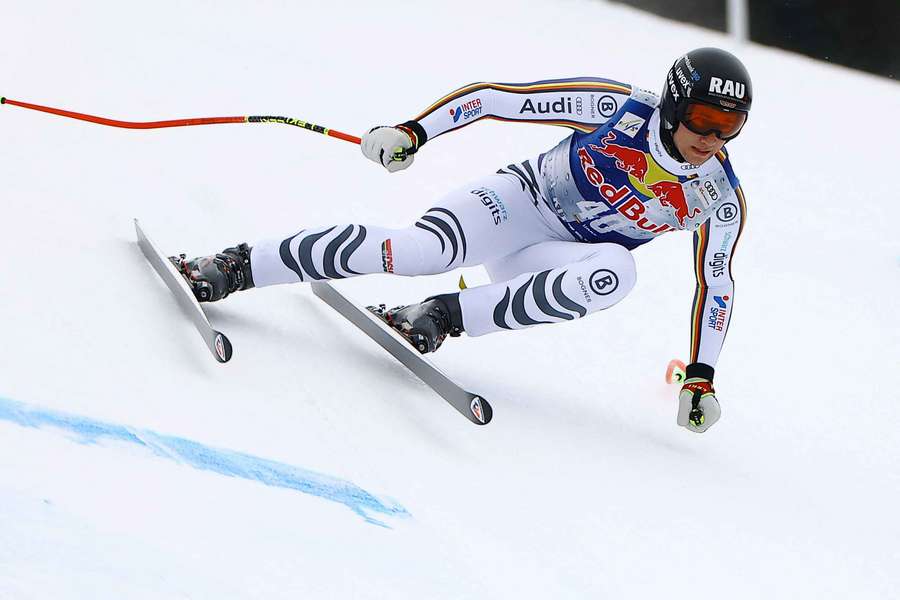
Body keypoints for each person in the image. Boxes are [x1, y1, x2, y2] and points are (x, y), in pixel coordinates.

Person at [175, 47, 751, 434]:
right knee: (420, 252)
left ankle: (437, 315)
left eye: (730, 126)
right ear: (675, 103)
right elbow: (499, 98)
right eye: (703, 118)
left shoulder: (717, 196)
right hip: (517, 204)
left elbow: (716, 282)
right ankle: (234, 265)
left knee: (614, 274)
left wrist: (702, 374)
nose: (712, 138)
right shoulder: (617, 107)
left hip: (549, 259)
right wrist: (414, 131)